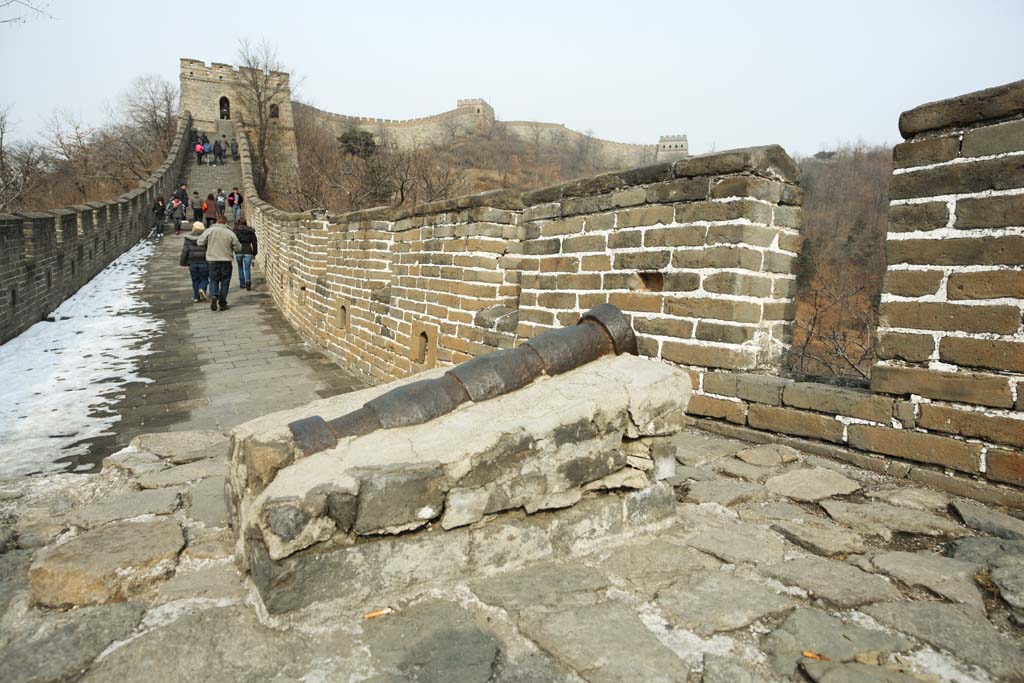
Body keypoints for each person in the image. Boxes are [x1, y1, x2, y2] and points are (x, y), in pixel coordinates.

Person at [197, 213, 240, 311]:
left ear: (217, 221)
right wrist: (231, 249)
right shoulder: (229, 232)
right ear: (225, 222)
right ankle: (222, 302)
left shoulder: (209, 231)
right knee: (225, 281)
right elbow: (238, 247)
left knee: (213, 280)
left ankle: (214, 295)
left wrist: (207, 247)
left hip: (212, 260)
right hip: (226, 260)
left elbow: (199, 242)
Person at [180, 221, 209, 303]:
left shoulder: (188, 238)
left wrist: (183, 262)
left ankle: (196, 297)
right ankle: (202, 288)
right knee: (205, 278)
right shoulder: (206, 238)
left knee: (195, 279)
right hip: (204, 261)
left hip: (192, 262)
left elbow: (185, 251)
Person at [234, 218, 258, 290]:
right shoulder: (250, 231)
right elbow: (254, 242)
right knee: (247, 268)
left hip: (239, 251)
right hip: (248, 250)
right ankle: (248, 280)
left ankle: (242, 284)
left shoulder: (236, 231)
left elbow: (233, 241)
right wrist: (254, 253)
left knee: (240, 267)